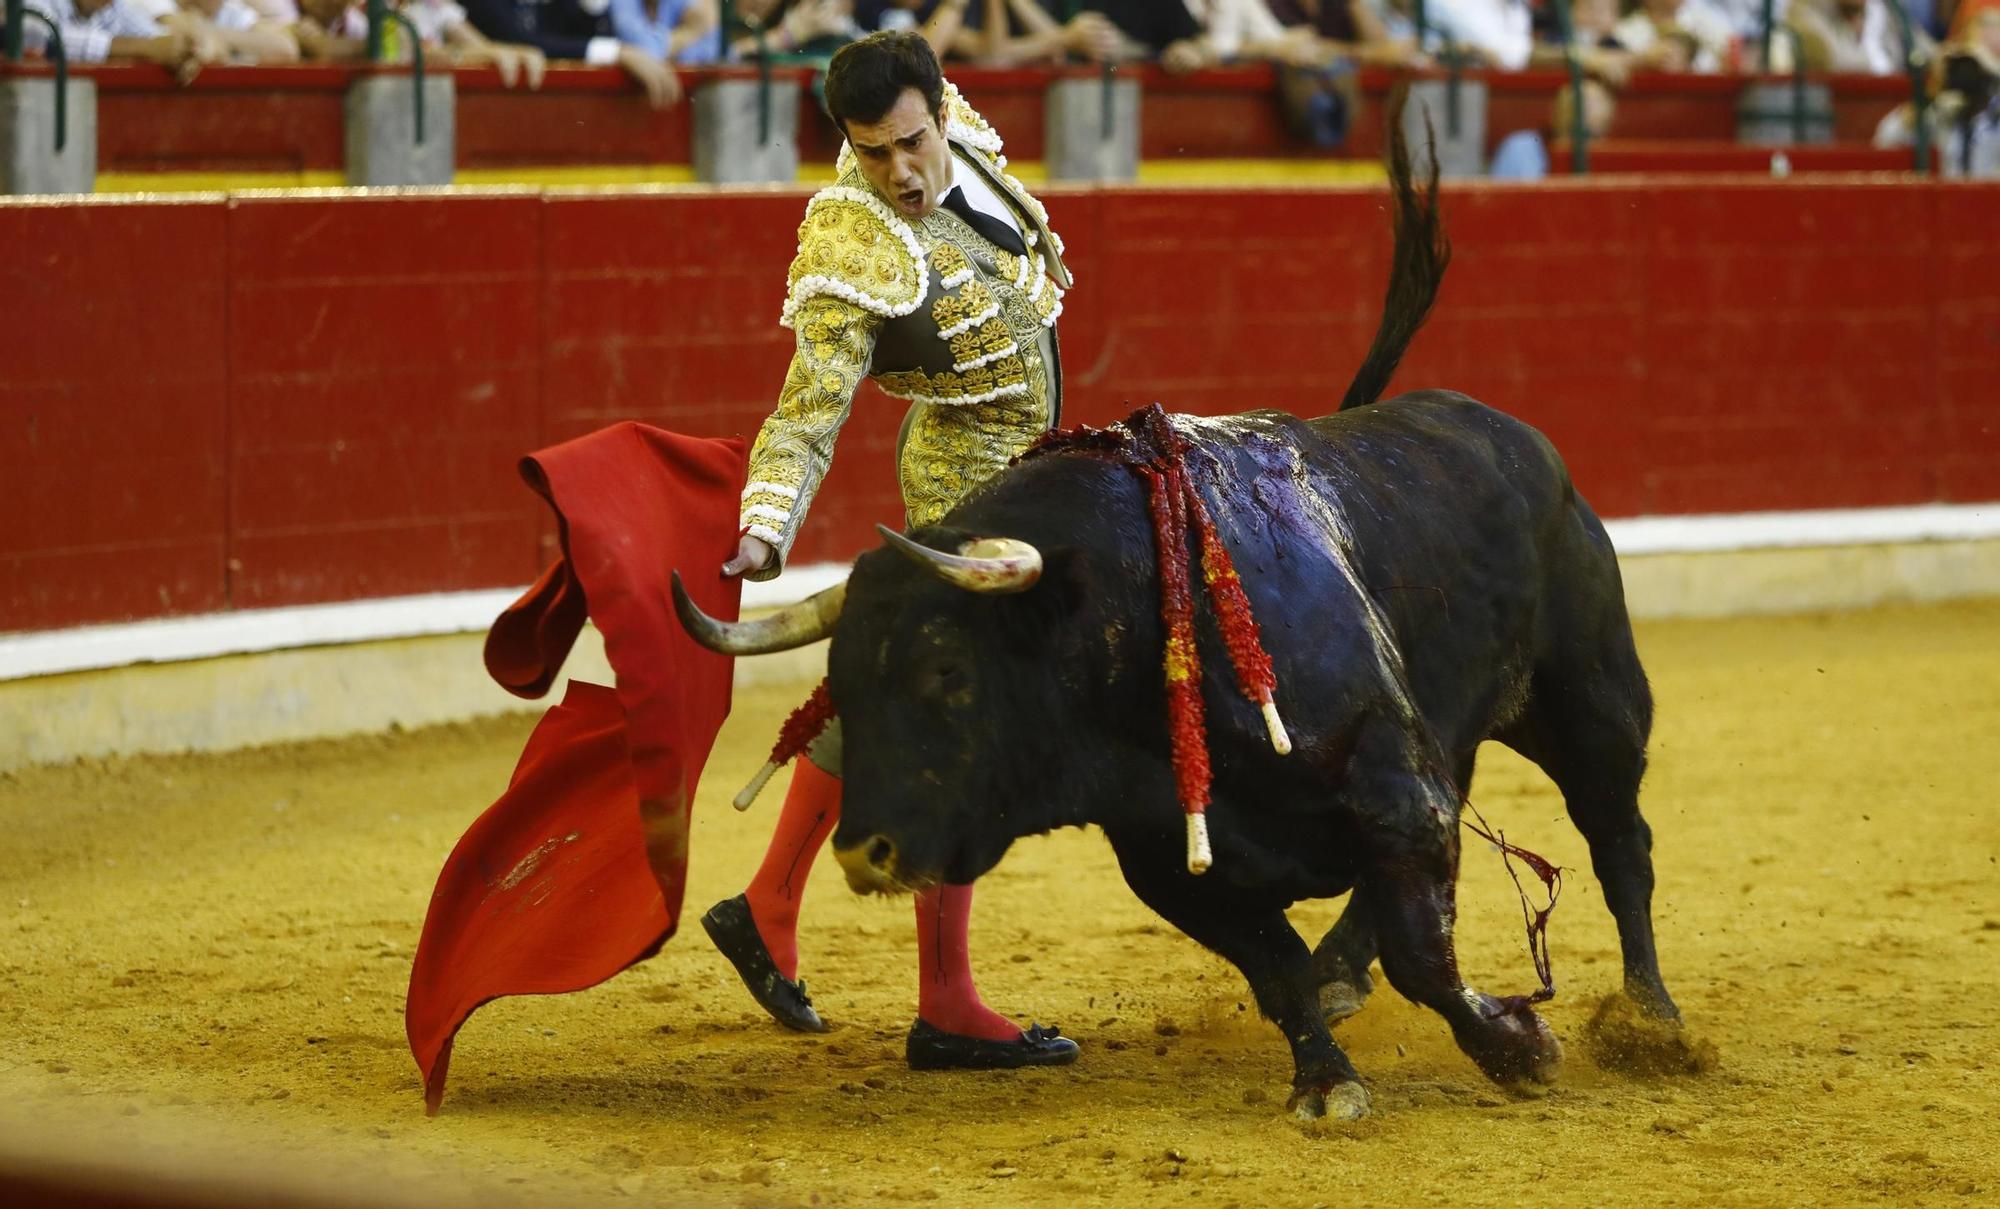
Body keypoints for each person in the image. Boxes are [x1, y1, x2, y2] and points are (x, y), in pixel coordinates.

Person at [703, 29, 1079, 1072]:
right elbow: (806, 410)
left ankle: (767, 903)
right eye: (872, 154)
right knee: (961, 719)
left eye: (911, 143)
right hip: (966, 490)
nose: (900, 173)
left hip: (1033, 471)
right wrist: (763, 524)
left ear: (942, 111)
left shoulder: (963, 131)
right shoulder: (849, 244)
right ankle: (946, 1001)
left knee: (901, 697)